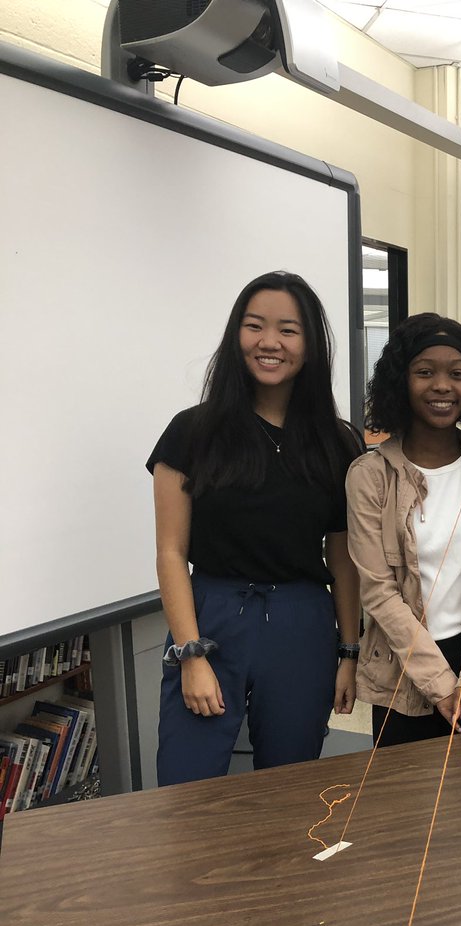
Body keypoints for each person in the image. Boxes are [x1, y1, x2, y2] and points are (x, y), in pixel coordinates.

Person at [147, 270, 362, 785]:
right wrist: (190, 654)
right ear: (235, 335)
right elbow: (171, 553)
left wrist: (349, 652)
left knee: (288, 788)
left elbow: (343, 556)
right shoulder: (191, 432)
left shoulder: (338, 442)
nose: (270, 342)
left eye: (288, 330)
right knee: (187, 786)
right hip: (211, 620)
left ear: (310, 345)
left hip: (302, 621)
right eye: (254, 326)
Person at [346, 313, 461, 746]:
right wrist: (442, 683)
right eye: (425, 372)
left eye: (457, 374)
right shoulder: (370, 475)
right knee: (405, 804)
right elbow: (378, 592)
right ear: (400, 382)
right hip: (403, 669)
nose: (442, 386)